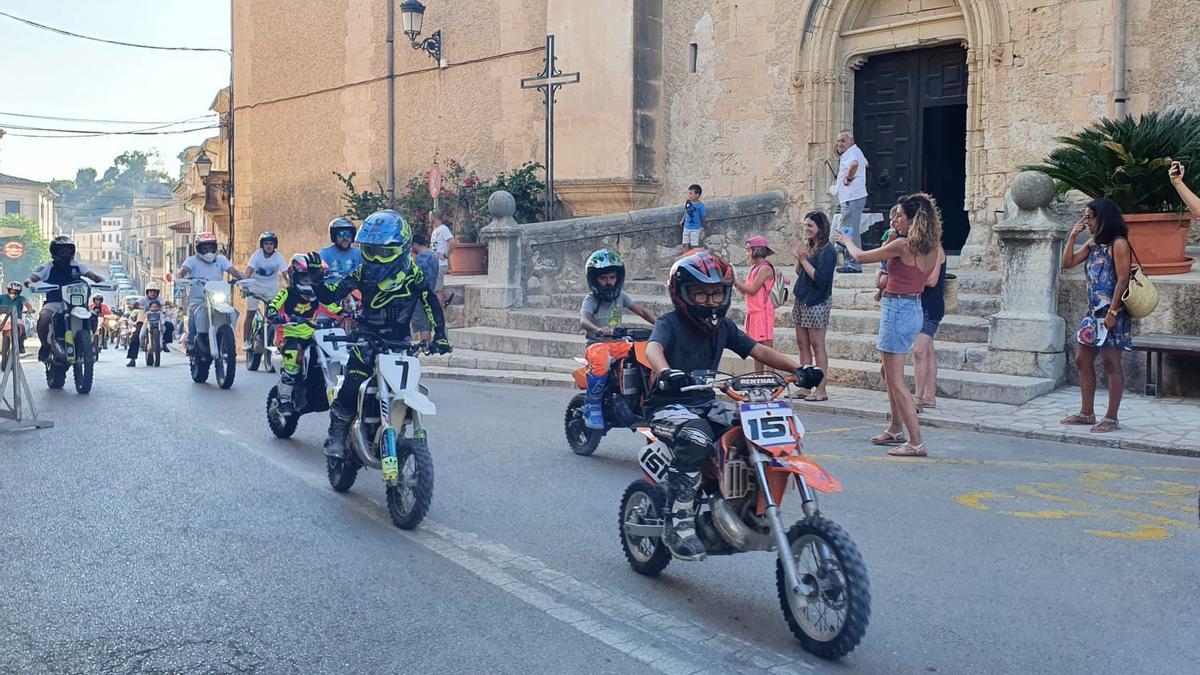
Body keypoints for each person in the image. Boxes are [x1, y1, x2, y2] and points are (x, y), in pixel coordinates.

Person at [645, 250, 821, 560]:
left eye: (716, 293)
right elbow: (653, 349)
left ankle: (746, 506)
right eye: (701, 293)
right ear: (682, 294)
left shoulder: (723, 328)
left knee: (753, 432)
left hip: (705, 403)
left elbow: (759, 351)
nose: (711, 301)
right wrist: (665, 372)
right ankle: (678, 522)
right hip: (667, 406)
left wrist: (798, 369)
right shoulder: (669, 323)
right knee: (697, 436)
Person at [308, 209, 452, 460]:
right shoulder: (362, 272)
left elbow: (430, 302)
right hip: (366, 337)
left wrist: (440, 336)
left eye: (382, 252)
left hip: (400, 341)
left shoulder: (412, 273)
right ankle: (337, 435)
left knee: (409, 386)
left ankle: (399, 429)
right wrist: (318, 280)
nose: (374, 257)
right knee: (352, 382)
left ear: (400, 248)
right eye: (370, 251)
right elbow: (331, 294)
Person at [836, 193, 941, 457]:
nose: (896, 220)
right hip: (913, 306)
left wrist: (847, 240)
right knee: (887, 372)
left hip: (897, 309)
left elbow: (860, 257)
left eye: (901, 217)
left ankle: (916, 441)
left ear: (913, 220)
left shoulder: (903, 246)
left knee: (895, 380)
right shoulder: (931, 246)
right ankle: (896, 428)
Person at [1060, 198, 1131, 433]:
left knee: (1111, 364)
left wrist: (1112, 311)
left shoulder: (1118, 244)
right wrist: (1072, 236)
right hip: (1093, 314)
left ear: (1102, 218)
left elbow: (1122, 279)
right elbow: (1067, 263)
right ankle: (1086, 412)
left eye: (1089, 217)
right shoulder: (1093, 245)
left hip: (1112, 313)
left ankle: (1111, 417)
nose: (1086, 221)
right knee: (1082, 359)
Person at [578, 249, 657, 429]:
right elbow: (583, 320)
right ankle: (593, 405)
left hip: (618, 344)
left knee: (645, 354)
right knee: (602, 356)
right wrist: (598, 329)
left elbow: (642, 311)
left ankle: (644, 400)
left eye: (612, 277)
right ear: (594, 279)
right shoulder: (590, 300)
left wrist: (661, 325)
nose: (608, 283)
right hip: (596, 345)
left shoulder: (621, 297)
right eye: (603, 278)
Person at [267, 254, 335, 414]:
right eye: (306, 280)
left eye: (313, 279)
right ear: (295, 277)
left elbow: (335, 310)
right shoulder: (286, 293)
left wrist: (349, 314)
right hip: (288, 336)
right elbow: (272, 307)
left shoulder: (319, 296)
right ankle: (284, 400)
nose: (310, 283)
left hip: (314, 336)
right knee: (293, 354)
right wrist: (276, 315)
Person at [27, 235, 106, 362]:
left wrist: (104, 282)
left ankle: (88, 343)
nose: (65, 253)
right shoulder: (48, 267)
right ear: (55, 252)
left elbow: (94, 276)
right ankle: (45, 346)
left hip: (77, 305)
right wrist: (29, 282)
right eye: (62, 251)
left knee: (93, 316)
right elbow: (33, 277)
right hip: (55, 303)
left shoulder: (78, 266)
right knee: (44, 317)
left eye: (68, 250)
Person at [790, 212, 837, 401]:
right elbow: (799, 271)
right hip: (802, 298)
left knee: (818, 345)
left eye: (810, 226)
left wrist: (803, 259)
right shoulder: (810, 247)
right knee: (802, 344)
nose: (806, 229)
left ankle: (821, 388)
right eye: (805, 225)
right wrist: (799, 257)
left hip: (817, 301)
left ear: (820, 227)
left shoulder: (828, 251)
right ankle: (806, 385)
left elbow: (820, 279)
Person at [177, 232, 244, 355]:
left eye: (210, 248)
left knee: (232, 311)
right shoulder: (192, 261)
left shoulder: (221, 260)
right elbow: (183, 270)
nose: (208, 251)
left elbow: (233, 271)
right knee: (193, 312)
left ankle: (227, 338)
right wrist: (180, 276)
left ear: (215, 247)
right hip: (199, 298)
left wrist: (242, 278)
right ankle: (191, 341)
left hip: (217, 298)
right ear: (198, 249)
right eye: (204, 248)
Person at [733, 236, 778, 373]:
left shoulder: (764, 268)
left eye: (748, 251)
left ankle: (770, 378)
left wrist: (735, 281)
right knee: (756, 349)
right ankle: (758, 377)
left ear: (755, 251)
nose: (746, 254)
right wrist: (736, 283)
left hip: (762, 312)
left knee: (767, 348)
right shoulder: (754, 268)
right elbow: (746, 290)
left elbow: (752, 290)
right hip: (753, 312)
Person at [912, 243, 947, 411]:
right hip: (918, 304)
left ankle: (918, 398)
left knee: (919, 350)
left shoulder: (936, 249)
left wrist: (908, 279)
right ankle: (929, 396)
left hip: (931, 307)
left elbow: (932, 280)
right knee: (927, 350)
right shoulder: (916, 249)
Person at [243, 231, 287, 350]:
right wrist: (245, 287)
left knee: (275, 316)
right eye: (266, 243)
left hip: (272, 290)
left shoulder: (279, 257)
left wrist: (291, 286)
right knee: (250, 314)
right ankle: (246, 340)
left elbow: (286, 275)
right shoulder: (256, 256)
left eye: (271, 243)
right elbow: (248, 273)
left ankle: (277, 340)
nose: (268, 246)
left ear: (275, 245)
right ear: (262, 245)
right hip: (255, 289)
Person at [834, 130, 869, 273]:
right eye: (838, 141)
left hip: (852, 197)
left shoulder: (852, 153)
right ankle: (848, 258)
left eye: (843, 140)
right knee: (848, 230)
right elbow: (865, 164)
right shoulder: (855, 152)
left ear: (851, 141)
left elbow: (855, 164)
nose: (840, 144)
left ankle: (854, 263)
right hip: (851, 197)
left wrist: (848, 179)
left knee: (850, 231)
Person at [410, 233, 440, 343]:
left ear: (414, 244)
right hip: (430, 294)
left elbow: (418, 278)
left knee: (422, 326)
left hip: (420, 297)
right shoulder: (433, 256)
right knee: (426, 324)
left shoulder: (422, 257)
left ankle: (422, 347)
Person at [125, 281, 164, 367]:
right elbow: (137, 303)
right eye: (150, 291)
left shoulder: (160, 299)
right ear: (147, 292)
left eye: (154, 292)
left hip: (157, 318)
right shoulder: (143, 299)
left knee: (169, 326)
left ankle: (164, 343)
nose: (152, 293)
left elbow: (165, 302)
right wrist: (133, 305)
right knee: (136, 335)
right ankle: (132, 359)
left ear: (157, 293)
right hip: (143, 317)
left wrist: (170, 304)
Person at [319, 217, 363, 283]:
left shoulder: (359, 254)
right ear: (334, 236)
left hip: (354, 291)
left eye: (348, 234)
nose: (345, 238)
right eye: (341, 234)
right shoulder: (325, 254)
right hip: (332, 291)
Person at [2, 282, 35, 363]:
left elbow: (27, 304)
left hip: (16, 319)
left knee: (22, 327)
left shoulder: (21, 298)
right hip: (2, 318)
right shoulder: (2, 297)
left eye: (16, 291)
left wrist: (30, 309)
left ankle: (20, 344)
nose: (14, 293)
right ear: (8, 290)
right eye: (12, 290)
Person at [429, 210, 456, 306]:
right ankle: (448, 296)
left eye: (430, 216)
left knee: (437, 290)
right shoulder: (435, 230)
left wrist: (445, 255)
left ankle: (439, 311)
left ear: (434, 217)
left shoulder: (443, 229)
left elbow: (452, 242)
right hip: (435, 264)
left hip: (440, 264)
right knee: (436, 288)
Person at [679, 184, 706, 252]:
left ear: (697, 195)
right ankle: (686, 257)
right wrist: (683, 220)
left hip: (695, 228)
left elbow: (703, 217)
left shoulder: (700, 206)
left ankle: (694, 259)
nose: (689, 195)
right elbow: (686, 211)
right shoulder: (688, 202)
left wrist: (698, 223)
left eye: (691, 193)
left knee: (694, 245)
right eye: (689, 193)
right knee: (685, 244)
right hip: (686, 227)